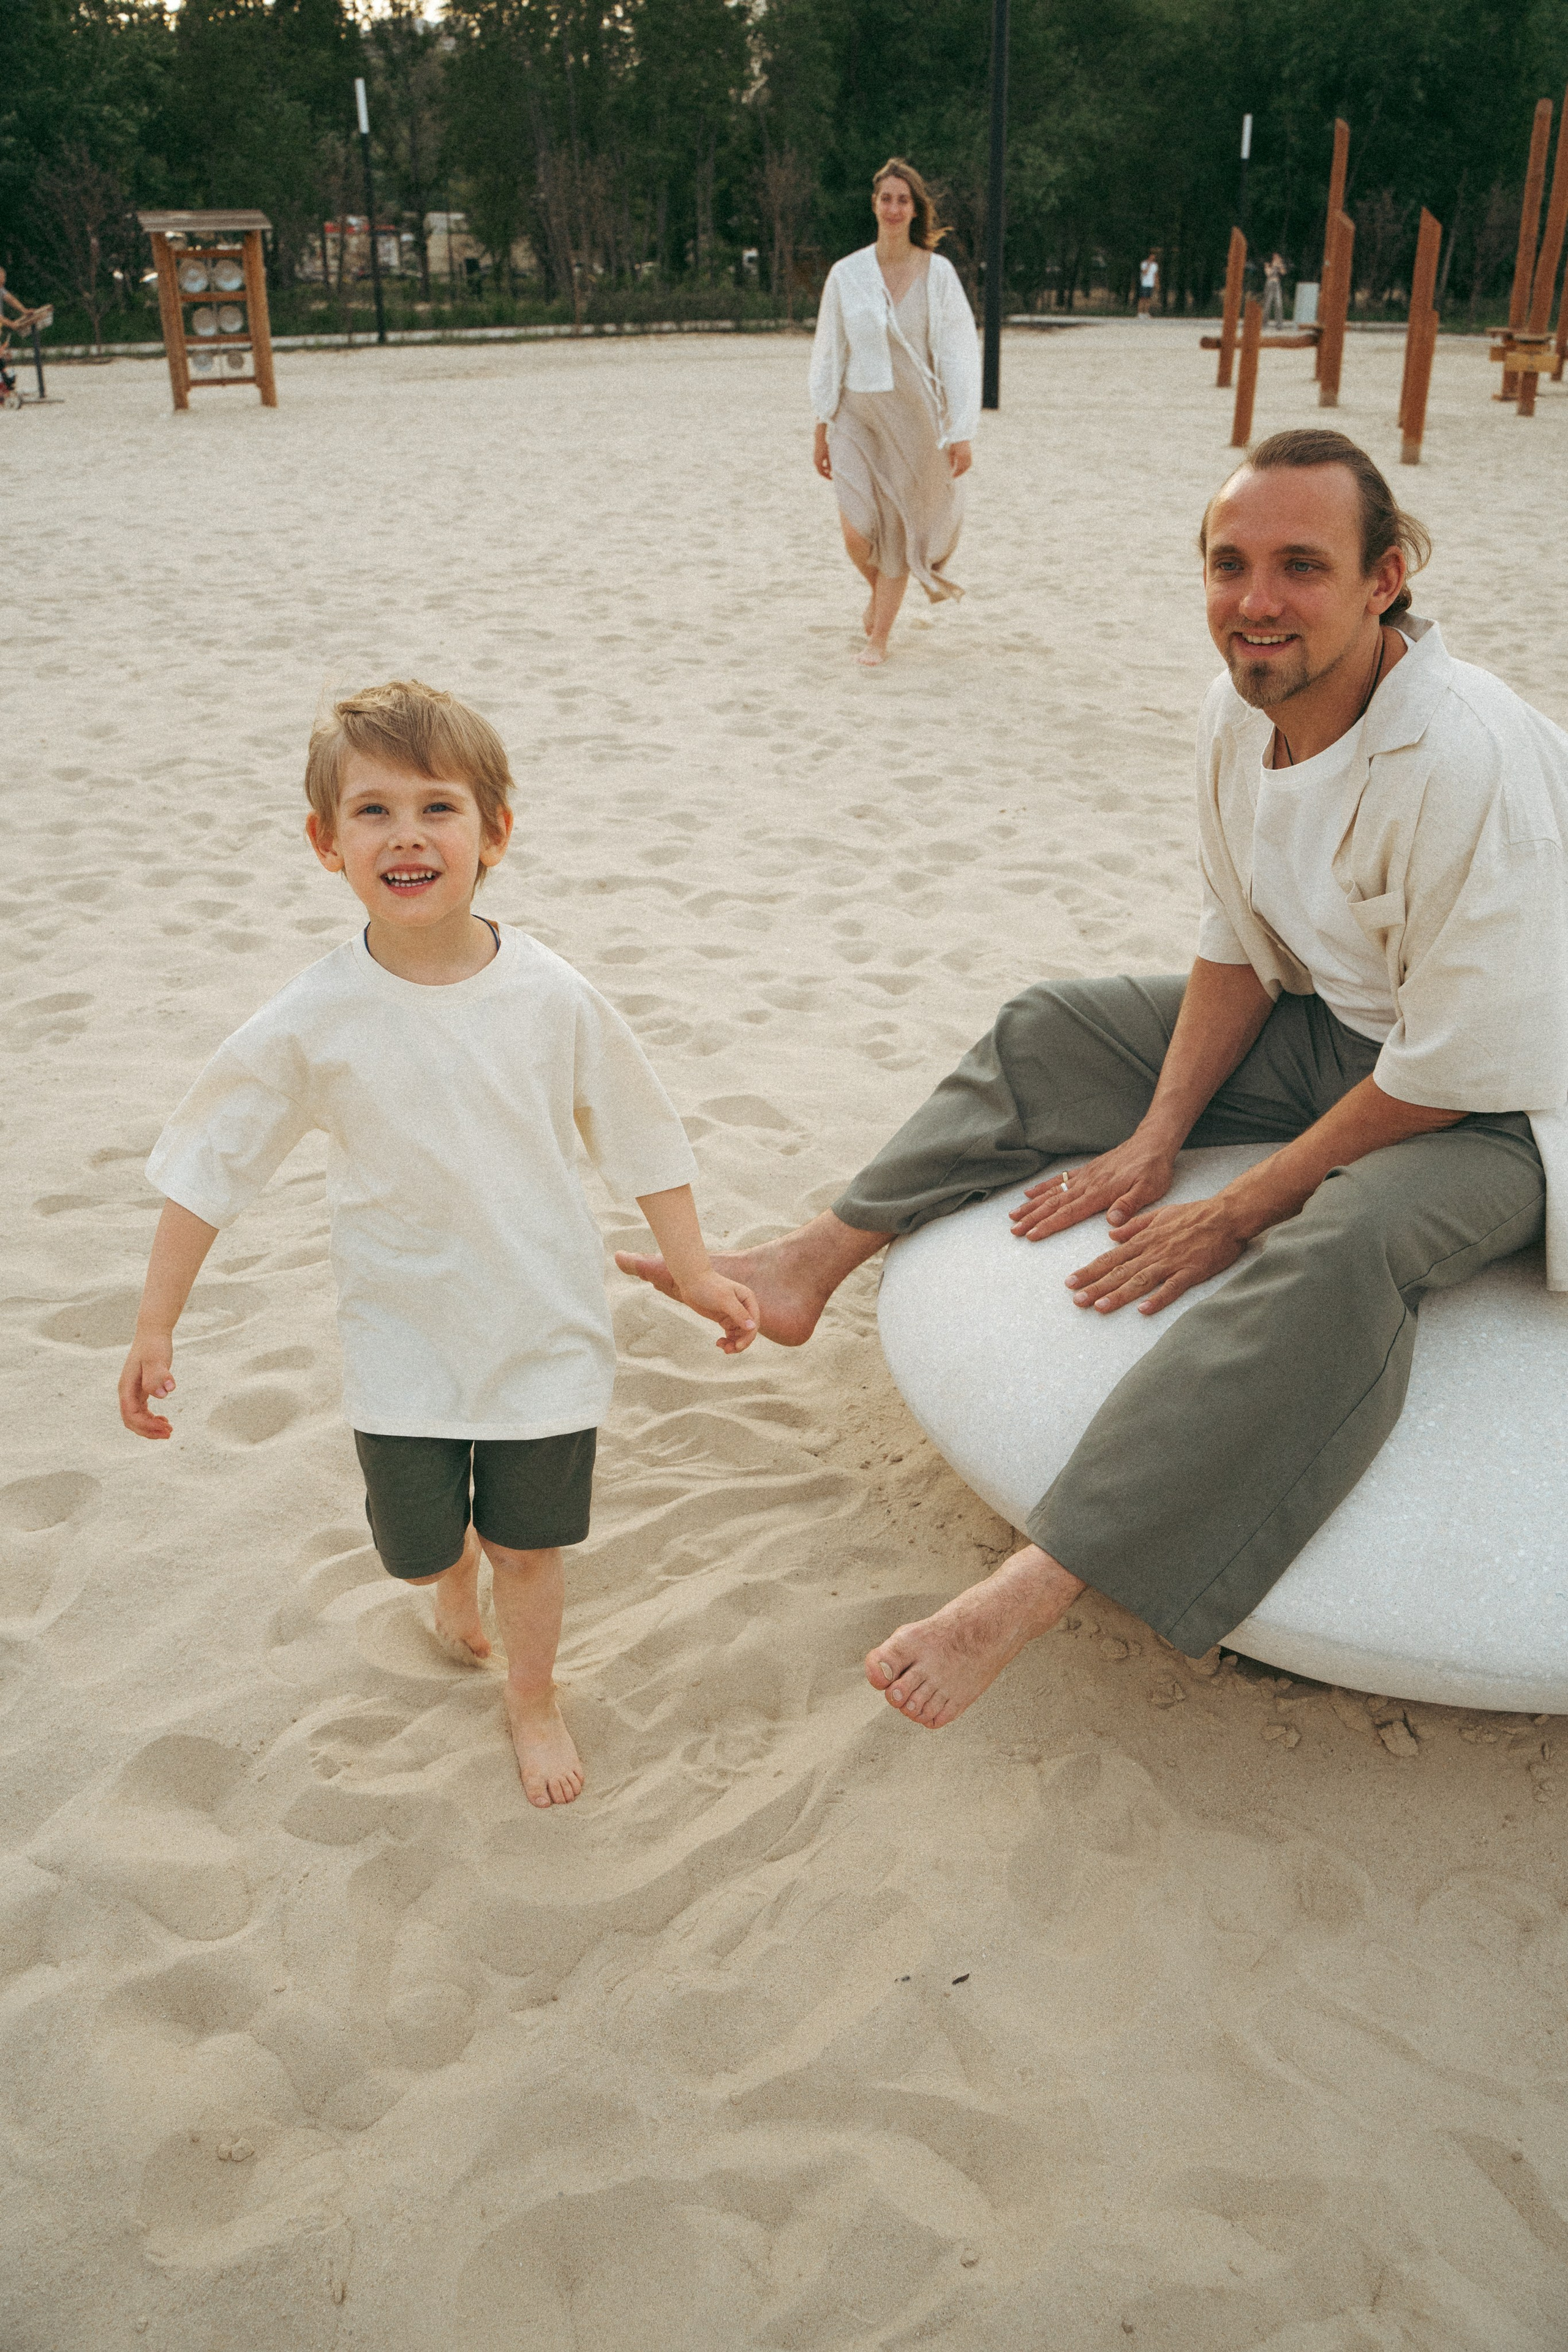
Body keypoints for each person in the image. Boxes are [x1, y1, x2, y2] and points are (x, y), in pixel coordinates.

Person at [620, 429, 1568, 1732]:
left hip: (1522, 1102)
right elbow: (1234, 944)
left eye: (1301, 565)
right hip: (1361, 1034)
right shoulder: (1240, 716)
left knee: (1341, 1236)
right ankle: (812, 1261)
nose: (1256, 601)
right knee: (1055, 1027)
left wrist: (1239, 1202)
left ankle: (1045, 1576)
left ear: (1382, 578)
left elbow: (1447, 1073)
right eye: (1228, 564)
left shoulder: (1466, 760)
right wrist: (1158, 1130)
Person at [118, 682, 759, 1808]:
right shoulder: (315, 1017)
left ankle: (533, 1693)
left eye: (438, 808)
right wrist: (155, 1322)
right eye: (372, 812)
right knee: (419, 1547)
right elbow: (212, 1162)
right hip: (402, 1339)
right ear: (327, 845)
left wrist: (697, 1269)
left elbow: (641, 1130)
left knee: (531, 1549)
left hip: (542, 1330)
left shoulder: (552, 995)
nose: (407, 834)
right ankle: (446, 1584)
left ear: (494, 834)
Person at [809, 157, 979, 668]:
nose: (894, 207)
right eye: (886, 198)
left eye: (903, 199)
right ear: (875, 204)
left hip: (916, 420)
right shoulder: (846, 275)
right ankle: (882, 592)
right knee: (857, 530)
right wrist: (821, 426)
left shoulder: (939, 273)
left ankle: (878, 637)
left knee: (901, 530)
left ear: (915, 208)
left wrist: (961, 429)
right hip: (856, 416)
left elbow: (957, 353)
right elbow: (830, 351)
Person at [1262, 251, 1287, 328]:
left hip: (1277, 284)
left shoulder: (1280, 265)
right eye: (1275, 257)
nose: (1276, 258)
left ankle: (1279, 324)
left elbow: (1283, 273)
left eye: (1277, 257)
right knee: (1268, 304)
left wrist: (1280, 266)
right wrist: (1273, 266)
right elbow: (1268, 274)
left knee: (1279, 304)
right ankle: (1264, 323)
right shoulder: (1268, 265)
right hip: (1270, 284)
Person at [1137, 252, 1159, 317]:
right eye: (1151, 257)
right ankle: (1140, 313)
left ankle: (1146, 313)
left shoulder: (1155, 265)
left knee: (1148, 299)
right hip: (1144, 284)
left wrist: (1157, 283)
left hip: (1151, 284)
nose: (1153, 258)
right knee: (1143, 298)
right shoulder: (1144, 264)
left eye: (1154, 257)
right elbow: (1144, 273)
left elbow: (1156, 275)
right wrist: (1148, 265)